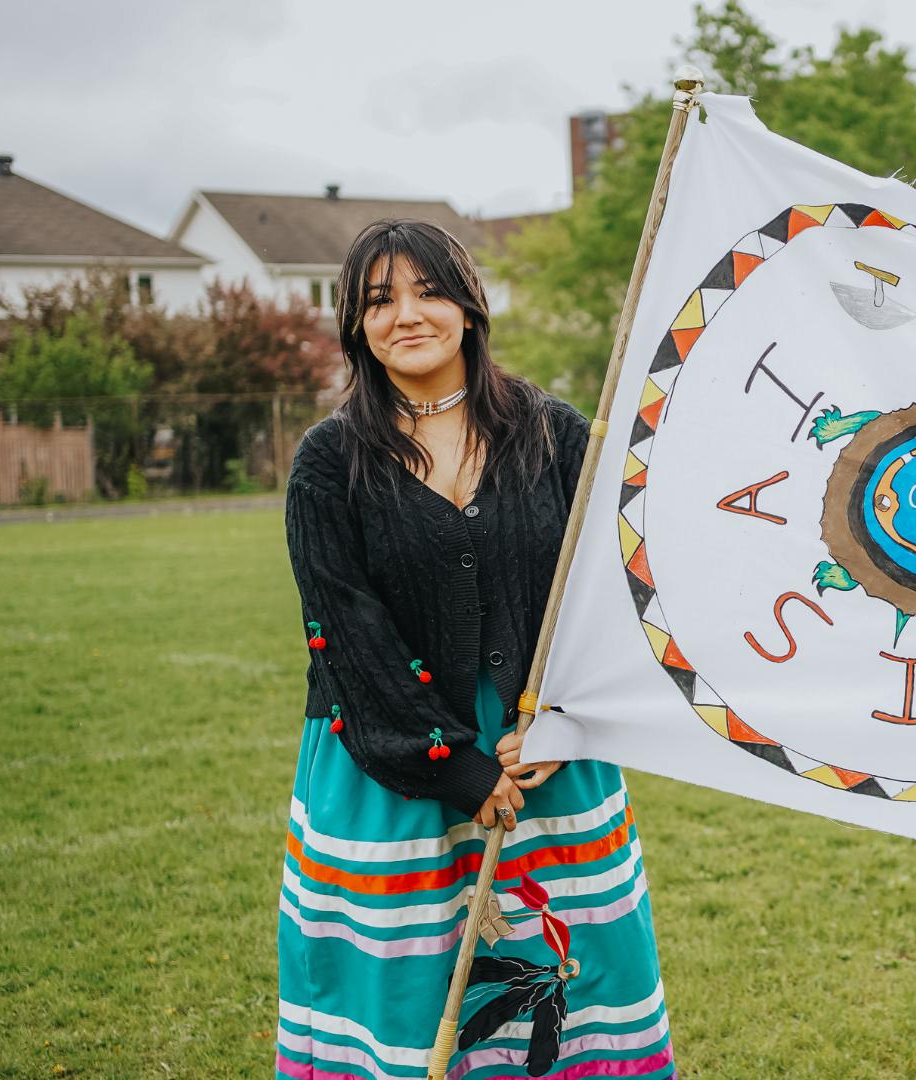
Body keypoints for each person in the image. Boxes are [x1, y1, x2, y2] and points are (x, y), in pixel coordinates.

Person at [277, 219, 674, 1078]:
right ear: (354, 324)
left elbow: (615, 591)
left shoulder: (558, 434)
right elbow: (345, 632)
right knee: (407, 1003)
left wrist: (567, 719)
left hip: (543, 761)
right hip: (389, 764)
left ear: (469, 305)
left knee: (571, 987)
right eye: (378, 301)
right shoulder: (328, 461)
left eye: (426, 291)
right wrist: (455, 767)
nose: (405, 315)